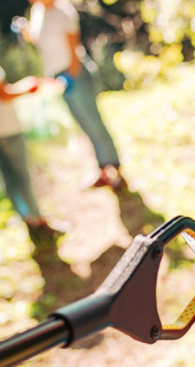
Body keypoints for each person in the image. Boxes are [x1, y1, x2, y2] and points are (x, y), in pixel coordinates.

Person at [24, 0, 127, 193]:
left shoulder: (63, 10)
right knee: (84, 125)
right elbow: (43, 41)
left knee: (94, 122)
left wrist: (70, 76)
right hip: (57, 77)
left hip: (74, 73)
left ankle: (117, 171)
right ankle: (103, 170)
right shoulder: (37, 11)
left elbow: (74, 47)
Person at [0, 65, 59, 241]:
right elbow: (4, 94)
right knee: (22, 178)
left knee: (9, 180)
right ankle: (38, 220)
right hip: (8, 130)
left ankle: (27, 219)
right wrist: (27, 88)